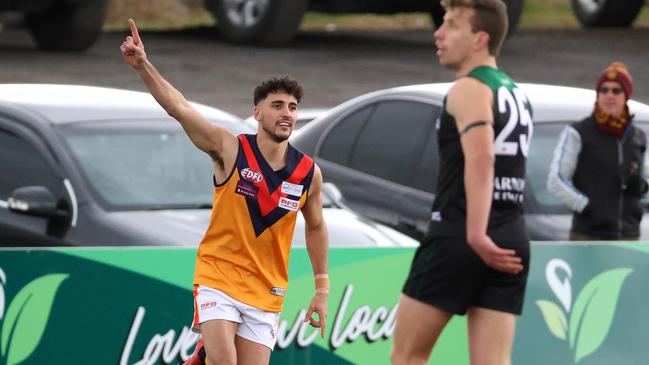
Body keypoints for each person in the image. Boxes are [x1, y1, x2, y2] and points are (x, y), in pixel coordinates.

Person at [120, 19, 330, 365]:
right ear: (257, 112)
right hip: (218, 276)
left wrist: (322, 289)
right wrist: (144, 65)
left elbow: (317, 226)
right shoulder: (230, 150)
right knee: (224, 362)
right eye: (277, 105)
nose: (286, 114)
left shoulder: (308, 173)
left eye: (292, 107)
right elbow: (180, 108)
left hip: (267, 290)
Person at [391, 1, 533, 364]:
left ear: (479, 39)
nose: (438, 33)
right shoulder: (515, 91)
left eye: (452, 25)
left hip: (461, 235)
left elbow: (482, 156)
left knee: (407, 356)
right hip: (511, 237)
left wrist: (474, 234)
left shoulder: (468, 88)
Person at [547, 62, 648, 241]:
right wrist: (586, 206)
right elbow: (557, 179)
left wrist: (642, 187)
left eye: (616, 91)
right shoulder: (578, 132)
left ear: (626, 96)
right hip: (588, 235)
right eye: (603, 90)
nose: (609, 95)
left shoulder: (638, 136)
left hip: (629, 235)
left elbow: (646, 179)